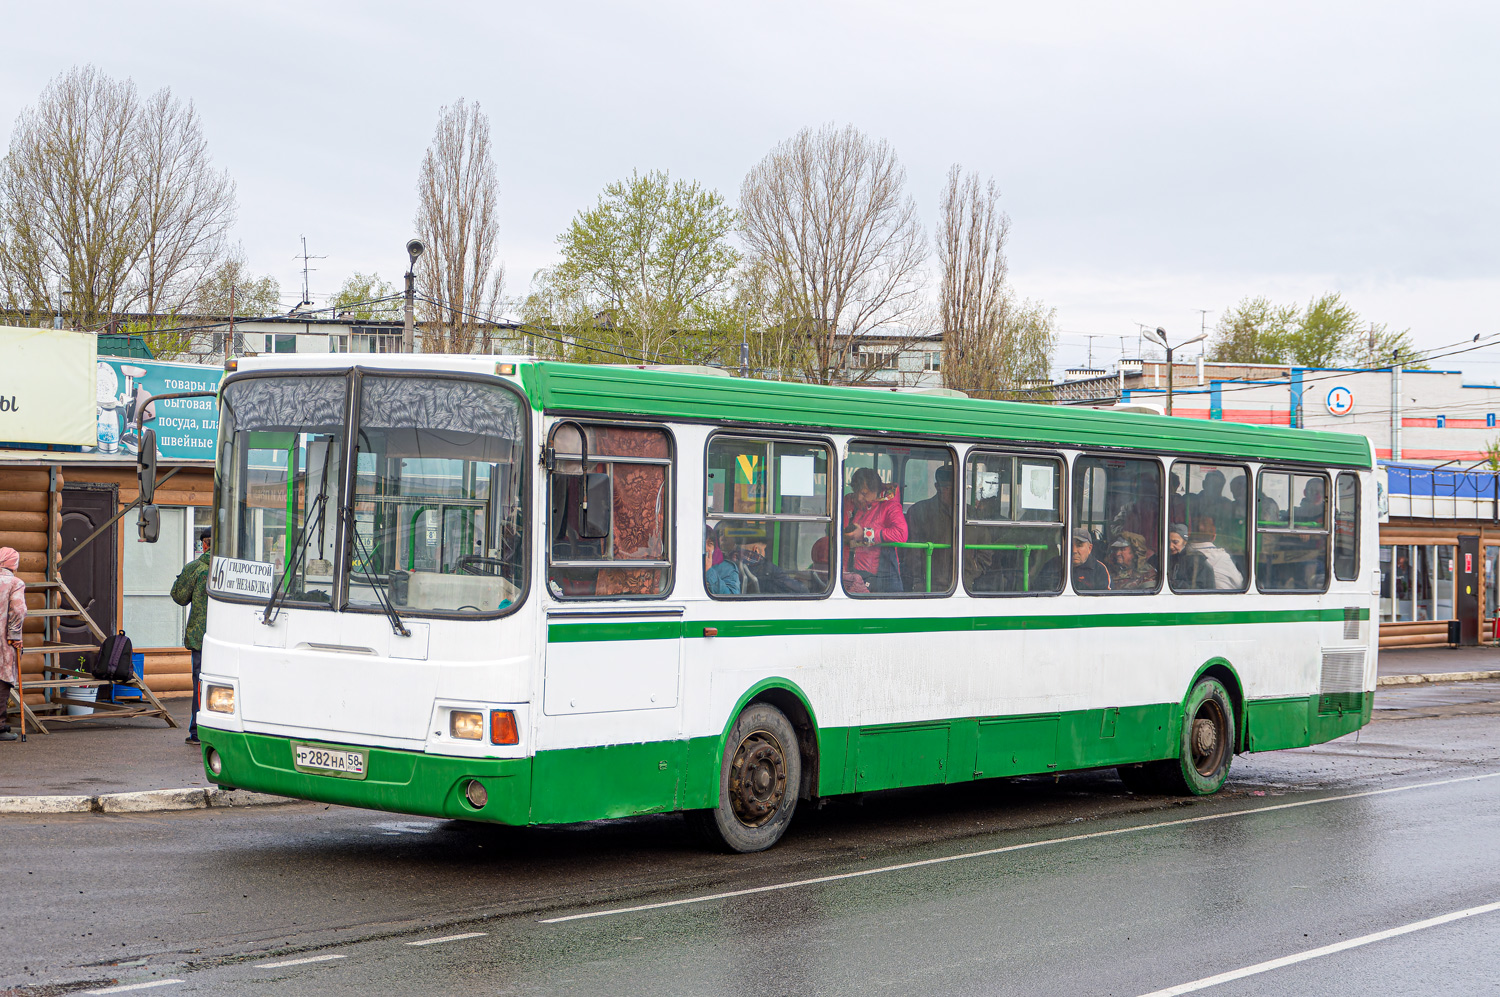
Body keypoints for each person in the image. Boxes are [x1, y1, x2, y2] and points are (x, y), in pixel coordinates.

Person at [171, 531, 211, 745]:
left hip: (202, 638)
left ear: (204, 545)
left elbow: (179, 596)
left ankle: (197, 731)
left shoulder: (196, 568)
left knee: (200, 683)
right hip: (234, 637)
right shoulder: (238, 568)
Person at [843, 467, 907, 593]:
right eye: (856, 491)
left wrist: (865, 534)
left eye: (864, 493)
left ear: (876, 490)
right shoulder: (850, 501)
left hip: (878, 577)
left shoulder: (890, 506)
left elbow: (901, 533)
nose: (859, 497)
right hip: (849, 572)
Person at [902, 466, 955, 593]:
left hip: (965, 583)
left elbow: (983, 552)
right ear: (937, 487)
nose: (953, 493)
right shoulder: (918, 511)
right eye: (948, 488)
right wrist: (918, 580)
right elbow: (912, 551)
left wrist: (969, 575)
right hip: (927, 584)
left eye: (956, 488)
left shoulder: (970, 514)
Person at [0, 547, 25, 741]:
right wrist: (15, 636)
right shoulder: (14, 583)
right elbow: (18, 610)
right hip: (3, 641)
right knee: (2, 679)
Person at [1044, 528, 1111, 592]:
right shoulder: (1053, 564)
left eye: (1079, 545)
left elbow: (1104, 599)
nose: (1074, 550)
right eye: (1070, 545)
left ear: (1090, 548)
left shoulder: (1099, 569)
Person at [1187, 516, 1243, 590]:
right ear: (1214, 536)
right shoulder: (1223, 557)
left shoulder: (1184, 553)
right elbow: (1239, 583)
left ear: (1189, 534)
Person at [1168, 523, 1213, 590]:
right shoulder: (1163, 557)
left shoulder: (1196, 560)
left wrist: (1177, 584)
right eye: (1168, 542)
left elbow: (1198, 589)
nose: (1170, 546)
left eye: (1175, 542)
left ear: (1185, 542)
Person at [703, 526, 740, 596]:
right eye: (702, 544)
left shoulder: (728, 568)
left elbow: (732, 597)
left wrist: (709, 571)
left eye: (710, 544)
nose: (706, 549)